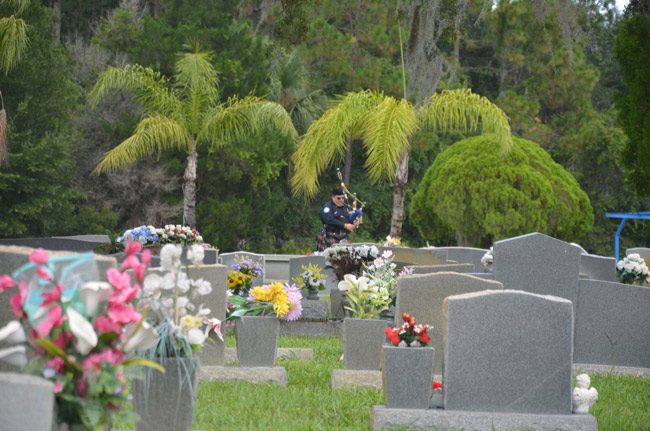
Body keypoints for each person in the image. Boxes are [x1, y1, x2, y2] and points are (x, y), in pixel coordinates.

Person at [316, 188, 360, 252]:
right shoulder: (327, 207)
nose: (341, 200)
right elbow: (329, 220)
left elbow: (350, 219)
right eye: (338, 198)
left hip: (343, 237)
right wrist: (344, 225)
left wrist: (355, 223)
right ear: (333, 197)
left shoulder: (346, 207)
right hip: (330, 236)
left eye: (343, 198)